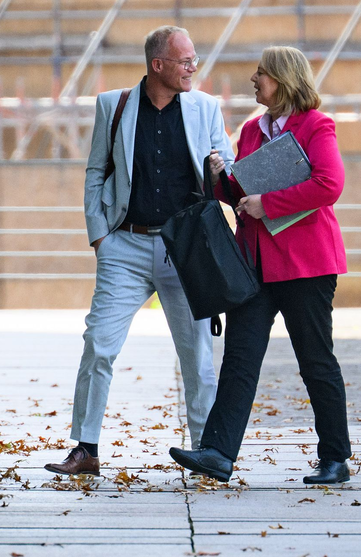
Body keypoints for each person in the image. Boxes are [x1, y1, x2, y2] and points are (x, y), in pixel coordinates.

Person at [45, 25, 235, 476]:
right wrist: (100, 237)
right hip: (124, 246)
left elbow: (226, 172)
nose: (193, 66)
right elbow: (96, 171)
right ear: (158, 65)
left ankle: (205, 451)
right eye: (184, 60)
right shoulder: (114, 105)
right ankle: (85, 448)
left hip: (185, 250)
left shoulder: (206, 107)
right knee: (99, 345)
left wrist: (218, 168)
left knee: (198, 359)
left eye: (193, 58)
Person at [169, 46, 351, 485]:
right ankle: (217, 452)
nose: (254, 80)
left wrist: (265, 204)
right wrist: (219, 179)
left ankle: (335, 458)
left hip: (306, 265)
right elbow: (240, 194)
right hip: (253, 266)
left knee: (315, 360)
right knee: (240, 359)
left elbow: (329, 184)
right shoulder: (251, 129)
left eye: (261, 74)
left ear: (284, 79)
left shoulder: (315, 126)